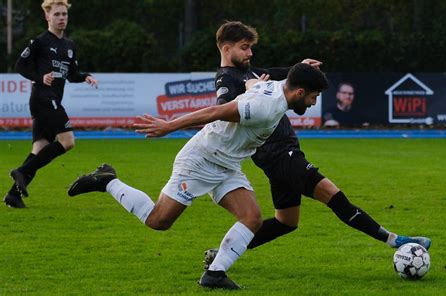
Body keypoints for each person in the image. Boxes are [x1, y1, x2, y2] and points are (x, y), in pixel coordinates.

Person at [67, 63, 329, 290]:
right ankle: (107, 181)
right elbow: (214, 112)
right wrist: (169, 125)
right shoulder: (264, 107)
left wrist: (254, 86)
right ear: (299, 92)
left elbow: (251, 83)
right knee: (159, 221)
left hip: (227, 164)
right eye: (313, 97)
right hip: (202, 159)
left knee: (252, 218)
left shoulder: (275, 89)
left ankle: (214, 275)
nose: (312, 103)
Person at [203, 21, 431, 269]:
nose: (250, 53)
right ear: (226, 49)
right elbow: (223, 108)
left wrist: (299, 67)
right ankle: (395, 240)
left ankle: (220, 255)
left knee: (286, 222)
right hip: (279, 154)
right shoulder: (227, 78)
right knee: (335, 197)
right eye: (245, 48)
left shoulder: (250, 72)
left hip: (278, 156)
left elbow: (279, 74)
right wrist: (248, 95)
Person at [3, 0, 98, 208]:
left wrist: (85, 77)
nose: (61, 18)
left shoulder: (69, 46)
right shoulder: (40, 42)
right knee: (68, 141)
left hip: (51, 100)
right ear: (47, 17)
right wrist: (38, 77)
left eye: (64, 14)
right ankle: (20, 172)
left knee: (40, 149)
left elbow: (71, 74)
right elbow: (20, 65)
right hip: (43, 100)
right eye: (57, 14)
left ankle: (13, 195)